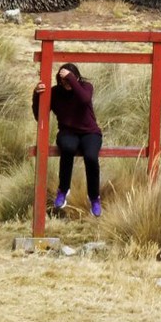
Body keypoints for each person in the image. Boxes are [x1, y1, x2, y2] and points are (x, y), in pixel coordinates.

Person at [33, 63, 102, 216]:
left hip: (90, 132)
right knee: (68, 148)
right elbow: (39, 115)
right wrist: (36, 95)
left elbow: (84, 100)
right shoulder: (55, 92)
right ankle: (63, 190)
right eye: (64, 81)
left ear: (76, 77)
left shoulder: (86, 87)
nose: (67, 84)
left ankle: (94, 198)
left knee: (91, 157)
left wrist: (71, 79)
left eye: (69, 80)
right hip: (67, 132)